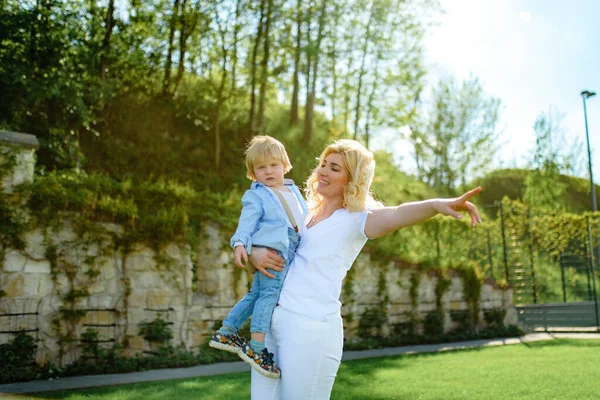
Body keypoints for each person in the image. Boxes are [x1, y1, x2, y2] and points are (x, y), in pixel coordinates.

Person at [245, 139, 482, 399]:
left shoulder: (356, 219)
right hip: (271, 321)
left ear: (351, 178)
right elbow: (266, 239)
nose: (322, 172)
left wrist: (437, 205)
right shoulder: (304, 211)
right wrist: (254, 253)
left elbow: (396, 214)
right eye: (323, 164)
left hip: (309, 326)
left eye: (334, 168)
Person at [209, 135, 308, 379]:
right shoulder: (257, 194)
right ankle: (256, 348)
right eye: (261, 168)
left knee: (256, 293)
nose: (269, 172)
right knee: (268, 294)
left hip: (291, 246)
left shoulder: (294, 190)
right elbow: (247, 222)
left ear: (285, 165)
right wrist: (240, 243)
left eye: (274, 165)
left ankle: (226, 331)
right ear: (253, 172)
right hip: (273, 248)